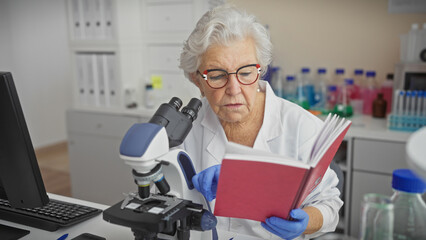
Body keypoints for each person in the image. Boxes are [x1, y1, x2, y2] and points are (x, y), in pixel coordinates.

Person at [178, 5, 343, 240]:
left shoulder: (302, 127)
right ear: (197, 80)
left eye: (245, 73)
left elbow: (329, 205)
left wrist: (306, 221)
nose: (234, 90)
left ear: (260, 70)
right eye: (216, 76)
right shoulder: (185, 127)